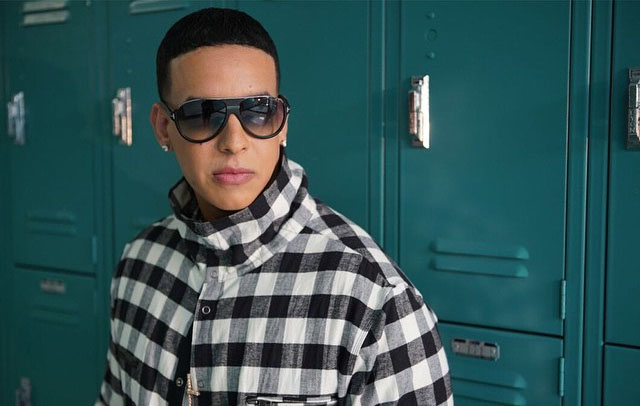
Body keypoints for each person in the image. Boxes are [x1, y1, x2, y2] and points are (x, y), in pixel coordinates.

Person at [96, 7, 452, 406]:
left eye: (258, 111)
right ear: (164, 128)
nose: (234, 142)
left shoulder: (375, 303)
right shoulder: (139, 264)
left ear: (282, 123)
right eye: (202, 115)